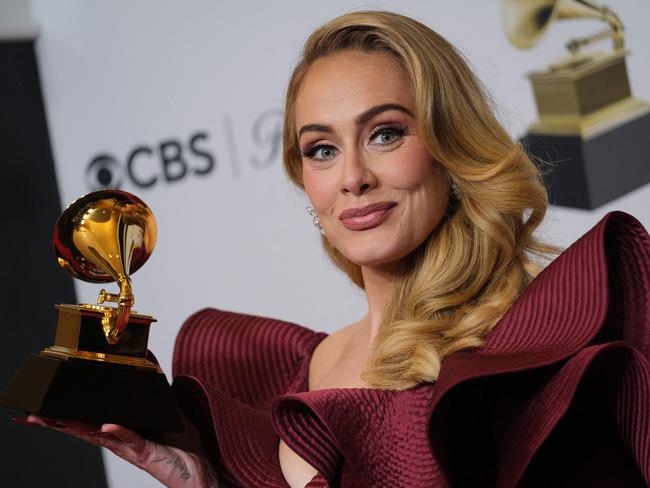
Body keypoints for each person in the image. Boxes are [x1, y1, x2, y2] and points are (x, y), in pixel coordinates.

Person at [21, 10, 650, 488]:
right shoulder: (298, 367)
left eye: (385, 133)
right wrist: (201, 480)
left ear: (450, 147)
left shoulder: (532, 347)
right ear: (305, 179)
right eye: (322, 148)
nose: (352, 176)